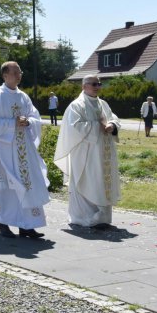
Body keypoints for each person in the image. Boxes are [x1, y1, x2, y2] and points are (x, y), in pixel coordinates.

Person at [0, 61, 50, 239]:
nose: (19, 75)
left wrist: (28, 122)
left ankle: (27, 226)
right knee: (6, 189)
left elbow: (35, 117)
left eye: (20, 72)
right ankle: (3, 225)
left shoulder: (23, 97)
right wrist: (12, 123)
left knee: (27, 186)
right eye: (15, 72)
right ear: (5, 75)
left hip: (23, 152)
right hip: (4, 152)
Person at [54, 75, 121, 229]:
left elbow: (114, 118)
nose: (97, 86)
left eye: (99, 84)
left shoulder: (103, 104)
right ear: (84, 86)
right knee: (88, 180)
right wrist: (96, 126)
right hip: (86, 154)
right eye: (94, 84)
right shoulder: (76, 106)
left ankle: (103, 218)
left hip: (103, 152)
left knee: (101, 181)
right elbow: (74, 127)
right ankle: (83, 217)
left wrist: (112, 125)